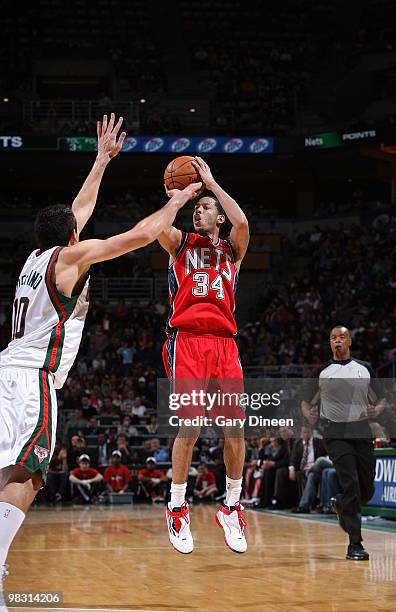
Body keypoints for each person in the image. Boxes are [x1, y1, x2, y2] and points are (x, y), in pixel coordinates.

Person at [0, 112, 202, 587]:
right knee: (27, 475)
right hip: (32, 378)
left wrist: (101, 160)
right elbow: (136, 237)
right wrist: (176, 202)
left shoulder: (36, 258)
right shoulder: (69, 256)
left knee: (8, 471)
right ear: (70, 237)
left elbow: (79, 210)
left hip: (8, 371)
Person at [159, 157, 249, 554]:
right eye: (197, 208)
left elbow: (243, 223)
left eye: (205, 207)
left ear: (219, 217)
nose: (200, 210)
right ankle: (177, 505)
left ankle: (231, 505)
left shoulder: (233, 249)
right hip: (188, 340)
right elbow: (158, 228)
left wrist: (212, 184)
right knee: (190, 427)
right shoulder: (181, 244)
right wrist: (180, 199)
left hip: (225, 343)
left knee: (235, 430)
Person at [301, 326, 385, 560]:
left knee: (365, 491)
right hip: (335, 432)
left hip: (361, 430)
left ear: (349, 341)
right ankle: (355, 545)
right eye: (333, 338)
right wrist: (309, 415)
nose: (337, 341)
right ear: (330, 343)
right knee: (352, 484)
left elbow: (382, 400)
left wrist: (375, 410)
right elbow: (305, 402)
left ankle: (339, 502)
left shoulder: (365, 369)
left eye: (341, 337)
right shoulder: (322, 371)